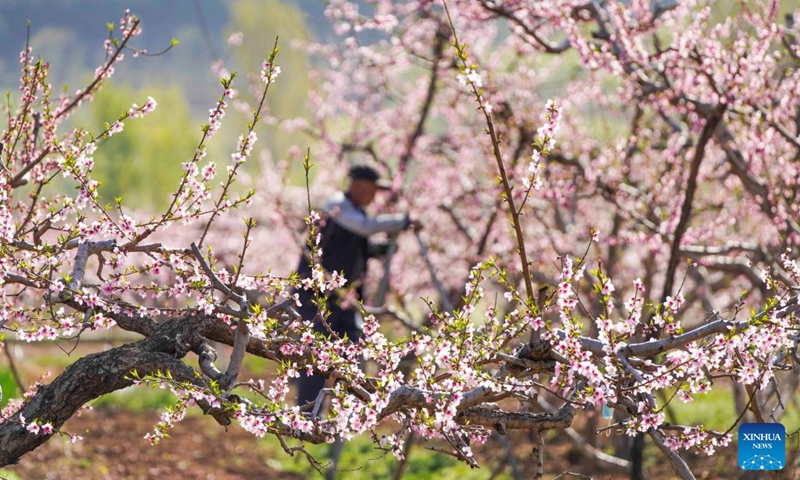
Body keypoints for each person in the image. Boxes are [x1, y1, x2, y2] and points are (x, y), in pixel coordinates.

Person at [294, 164, 419, 407]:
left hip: (341, 298)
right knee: (317, 357)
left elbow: (348, 248)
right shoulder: (338, 206)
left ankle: (344, 415)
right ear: (360, 186)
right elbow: (364, 227)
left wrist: (376, 250)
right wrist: (403, 221)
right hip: (316, 298)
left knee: (349, 349)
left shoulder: (353, 212)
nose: (374, 197)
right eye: (373, 190)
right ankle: (306, 416)